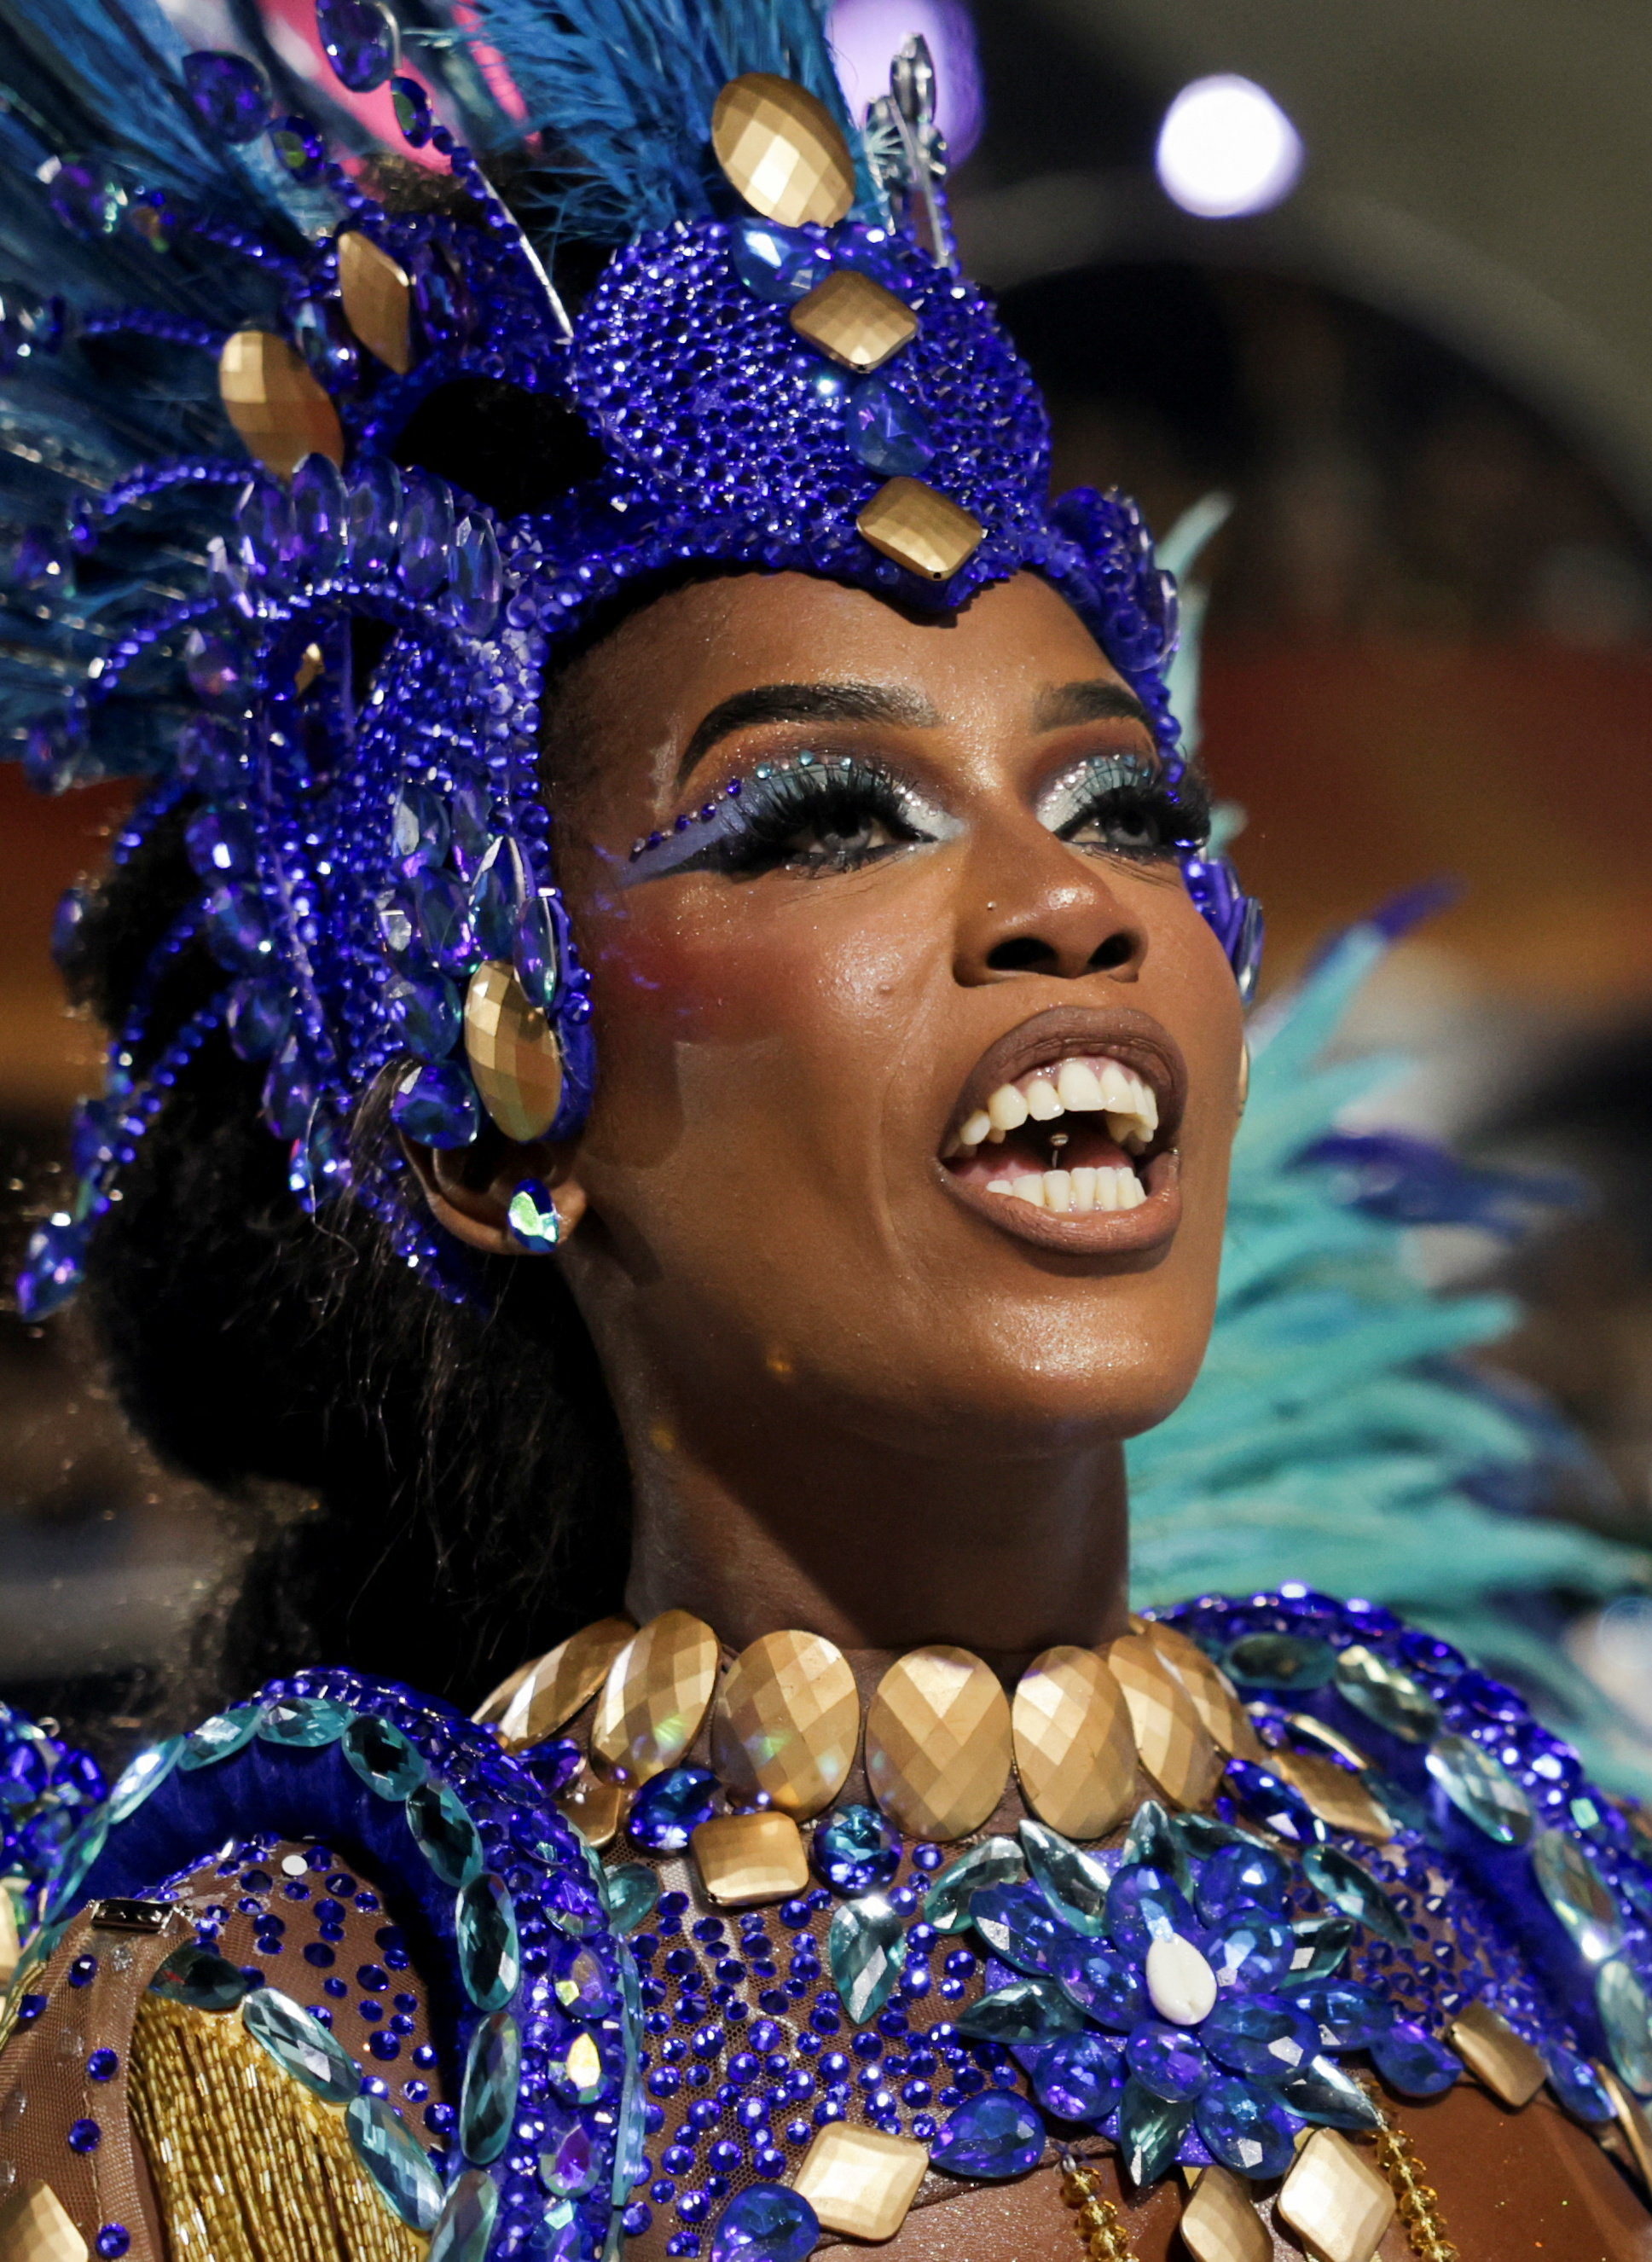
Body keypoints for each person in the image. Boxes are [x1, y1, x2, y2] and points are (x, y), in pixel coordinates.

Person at [0, 3, 1650, 2258]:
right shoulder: (329, 2033)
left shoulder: (1495, 1868)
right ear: (488, 1089)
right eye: (826, 815)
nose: (1069, 902)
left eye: (1123, 803)